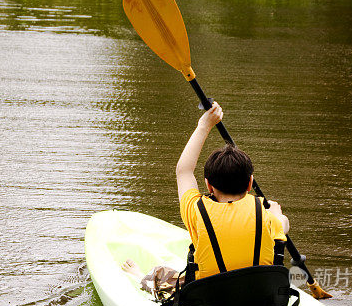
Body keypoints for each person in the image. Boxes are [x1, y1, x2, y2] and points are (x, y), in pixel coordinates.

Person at [123, 102, 289, 295]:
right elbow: (283, 226)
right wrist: (278, 214)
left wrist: (204, 125)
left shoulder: (197, 212)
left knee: (161, 274)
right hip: (261, 299)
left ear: (208, 185)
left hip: (209, 300)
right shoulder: (269, 217)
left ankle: (140, 278)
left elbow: (183, 171)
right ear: (250, 183)